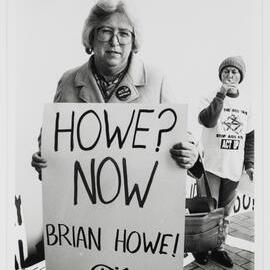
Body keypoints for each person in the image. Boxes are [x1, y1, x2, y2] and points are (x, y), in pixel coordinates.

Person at [31, 0, 200, 181]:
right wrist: (43, 160)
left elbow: (182, 137)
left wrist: (192, 155)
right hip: (83, 196)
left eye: (124, 34)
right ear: (91, 37)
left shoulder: (156, 80)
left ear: (134, 41)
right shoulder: (68, 81)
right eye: (106, 31)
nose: (115, 41)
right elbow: (52, 139)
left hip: (138, 198)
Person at [195, 56, 254, 268]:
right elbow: (208, 120)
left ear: (241, 76)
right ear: (221, 74)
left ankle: (219, 248)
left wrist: (250, 164)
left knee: (225, 212)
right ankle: (201, 248)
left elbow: (249, 137)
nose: (230, 75)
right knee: (208, 209)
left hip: (233, 167)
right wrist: (221, 95)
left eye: (234, 72)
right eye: (226, 71)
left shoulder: (247, 103)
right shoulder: (209, 96)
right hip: (212, 165)